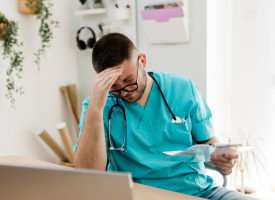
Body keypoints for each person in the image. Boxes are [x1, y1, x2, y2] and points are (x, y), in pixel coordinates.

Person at [73, 33, 259, 200]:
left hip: (198, 191)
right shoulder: (97, 106)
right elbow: (87, 173)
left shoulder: (182, 89)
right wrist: (96, 109)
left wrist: (221, 161)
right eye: (113, 86)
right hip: (135, 194)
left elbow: (209, 144)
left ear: (142, 61)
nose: (124, 91)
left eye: (129, 80)